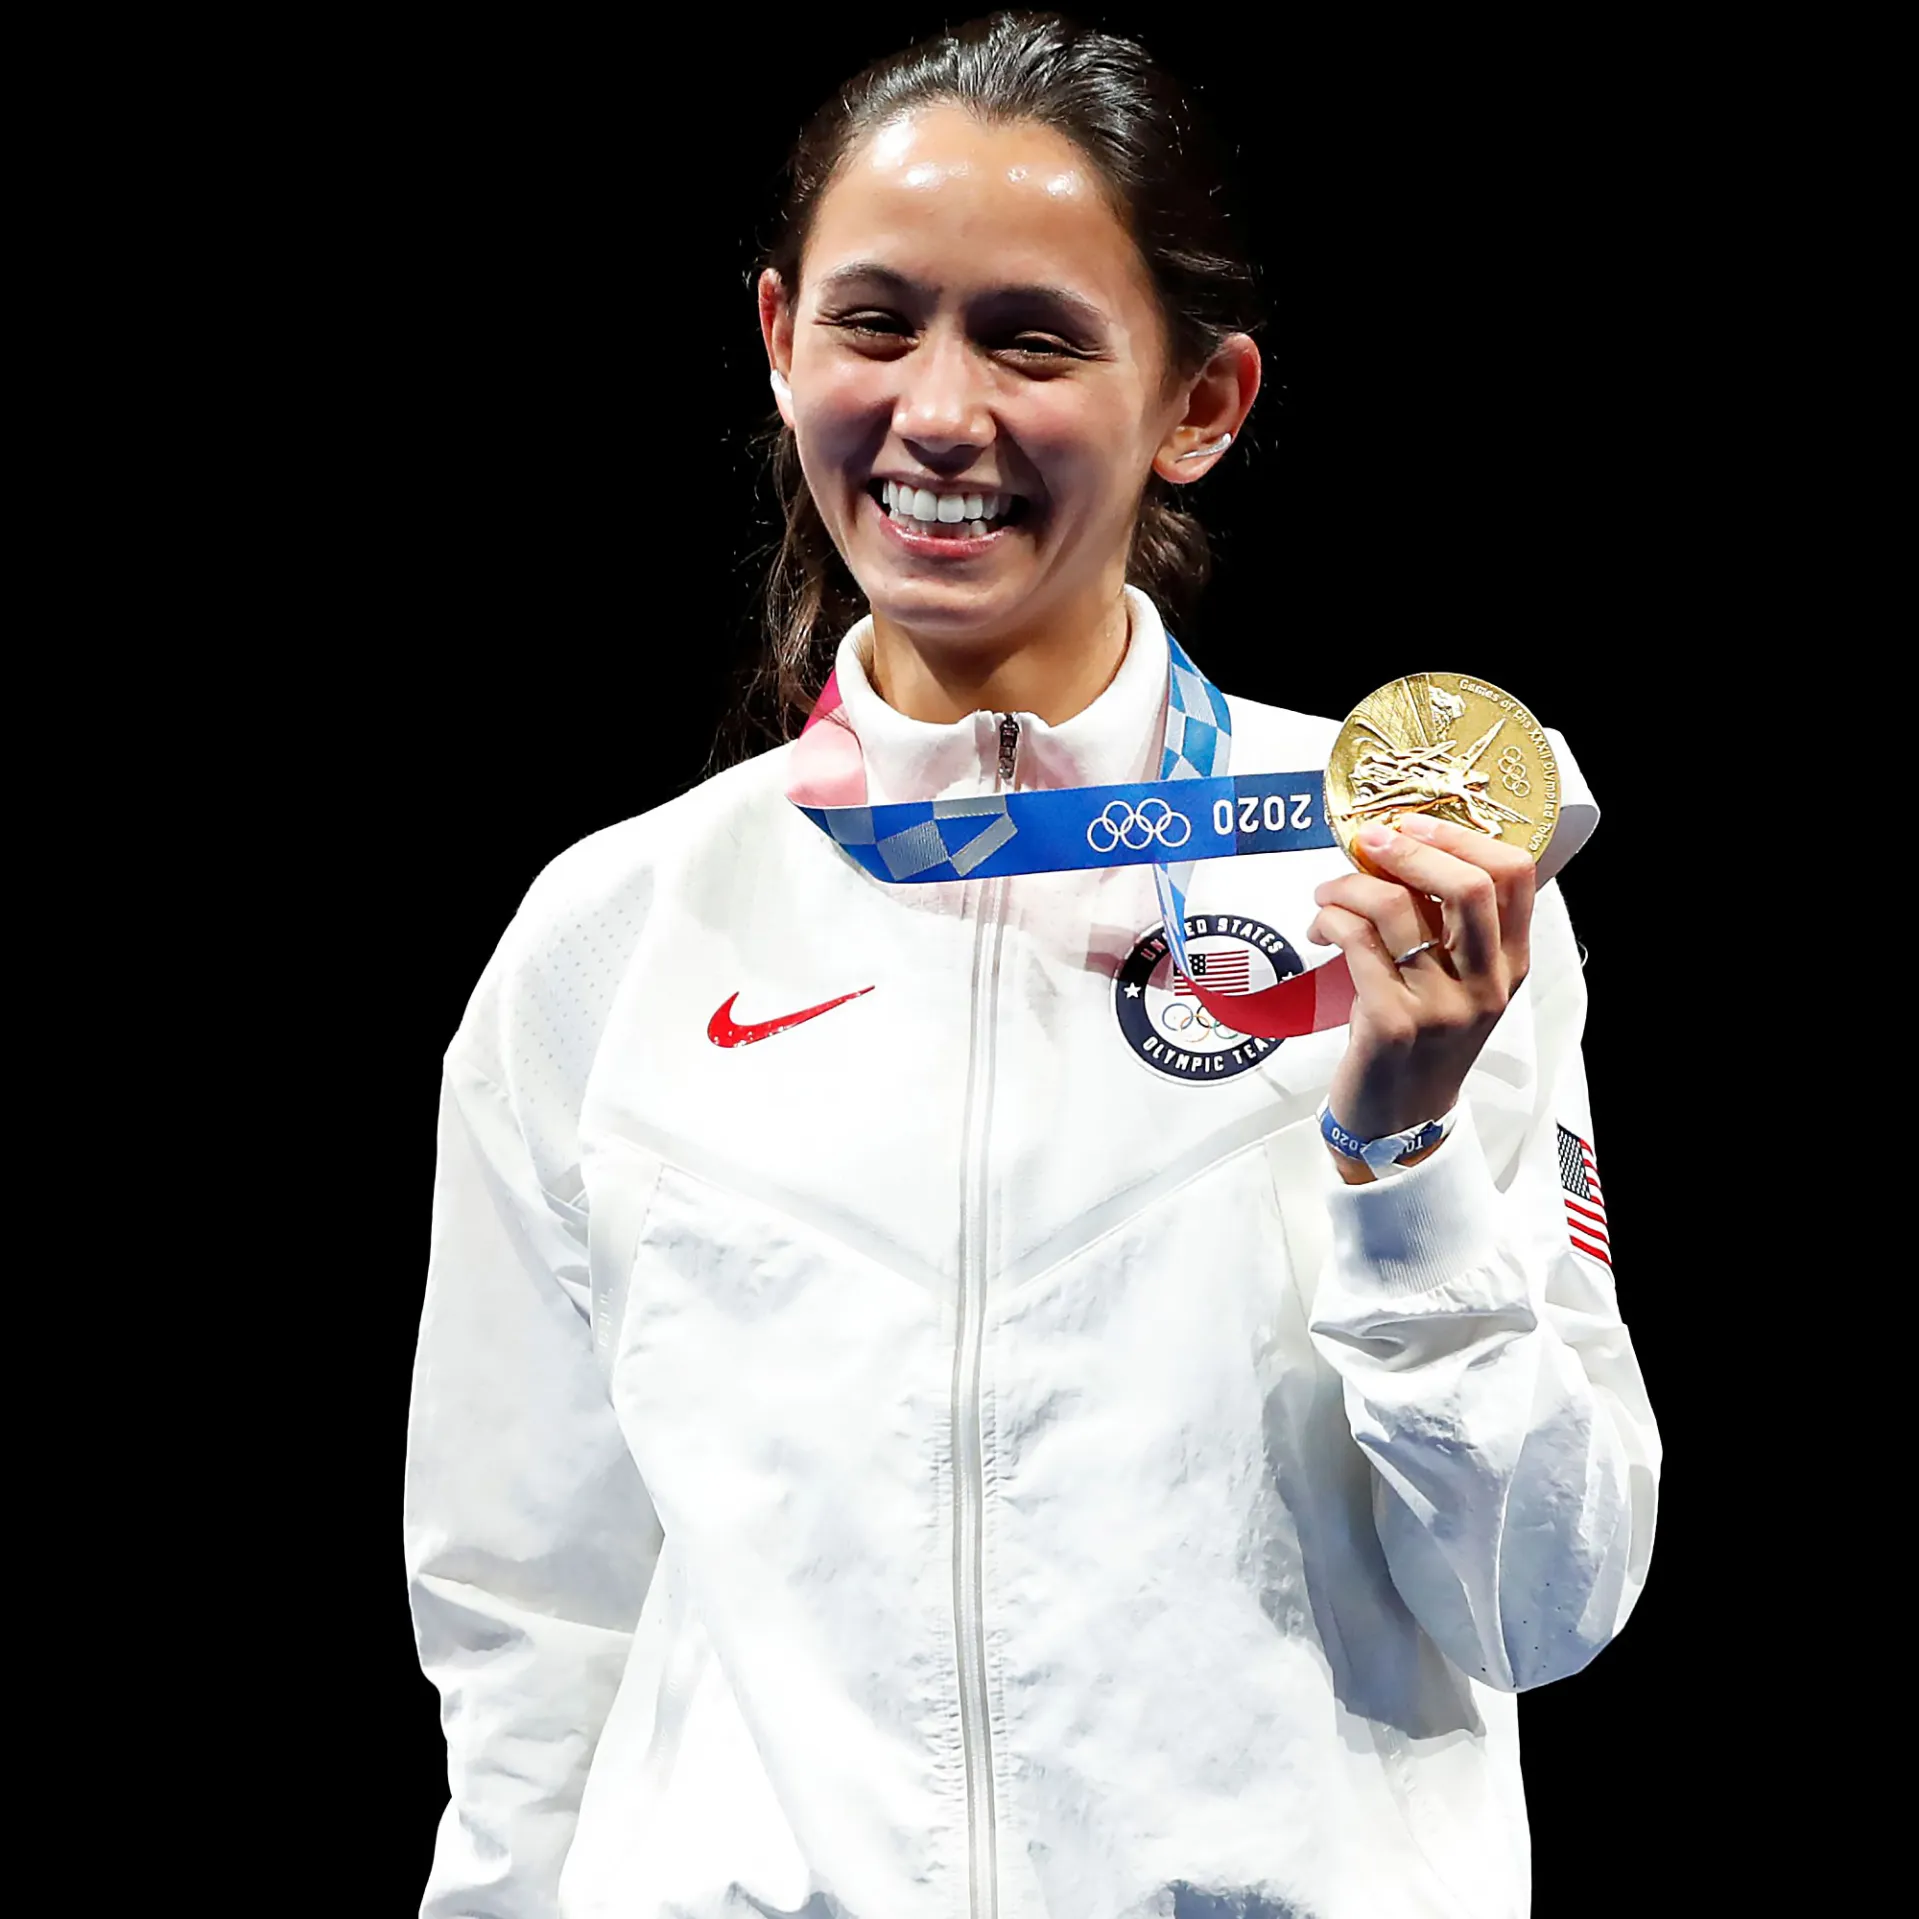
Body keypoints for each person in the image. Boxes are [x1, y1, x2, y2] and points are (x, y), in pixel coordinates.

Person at [403, 14, 1660, 1917]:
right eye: (874, 322)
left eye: (1032, 341)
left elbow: (1544, 1604)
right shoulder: (613, 935)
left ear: (1201, 403)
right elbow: (528, 1622)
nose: (936, 411)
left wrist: (1398, 1166)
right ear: (778, 339)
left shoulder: (1406, 895)